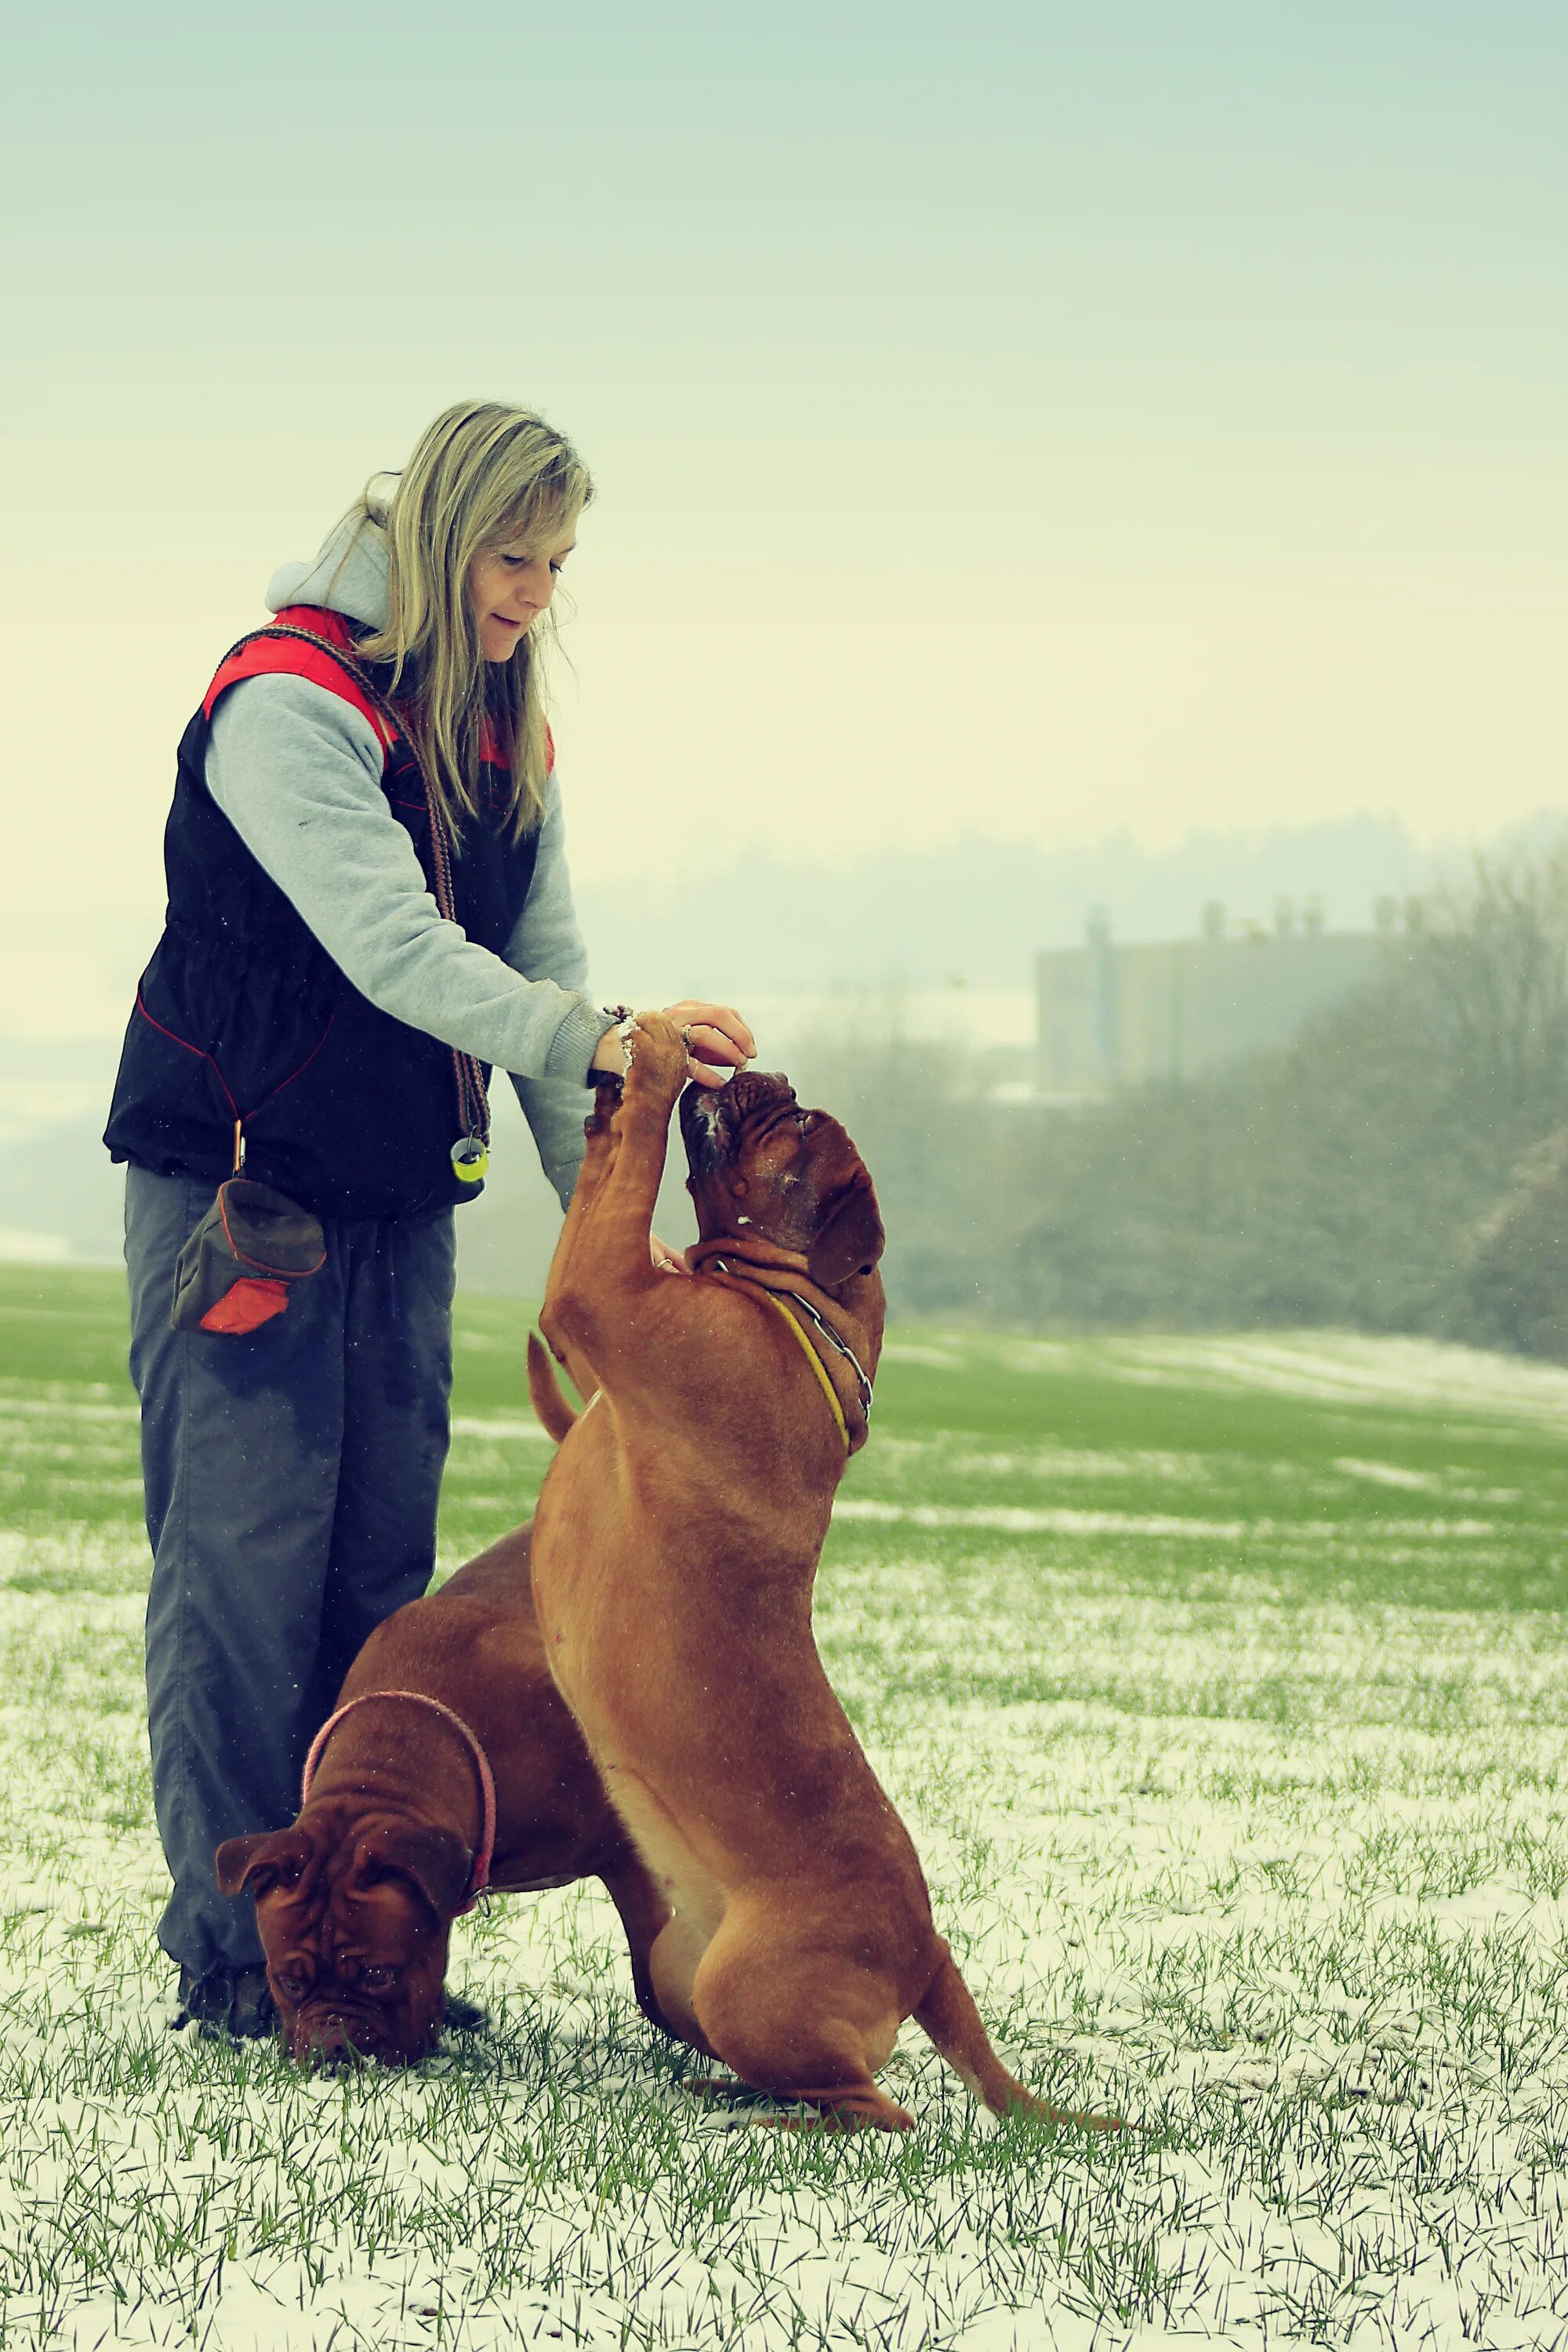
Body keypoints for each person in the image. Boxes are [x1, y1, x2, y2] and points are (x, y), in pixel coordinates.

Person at [103, 399, 755, 2040]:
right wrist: (596, 1039)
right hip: (240, 1203)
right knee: (240, 1582)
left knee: (379, 1586)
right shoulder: (285, 704)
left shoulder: (499, 727)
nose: (535, 594)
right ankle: (236, 1954)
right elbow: (393, 947)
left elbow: (541, 987)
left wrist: (609, 1223)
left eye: (558, 565)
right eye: (512, 560)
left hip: (398, 1203)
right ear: (439, 536)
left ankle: (365, 1944)